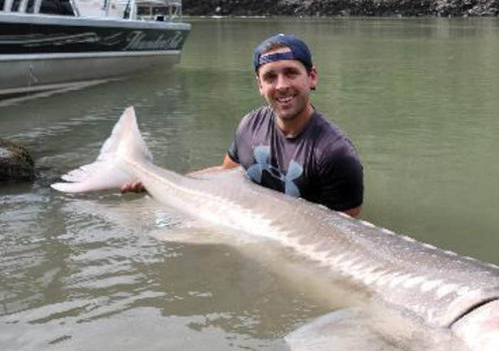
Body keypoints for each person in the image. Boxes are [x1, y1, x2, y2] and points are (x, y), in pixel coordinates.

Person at [124, 33, 363, 216]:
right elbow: (226, 173)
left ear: (311, 77)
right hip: (245, 219)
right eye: (270, 77)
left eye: (291, 73)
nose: (281, 86)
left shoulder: (336, 154)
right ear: (260, 86)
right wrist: (161, 181)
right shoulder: (251, 124)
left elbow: (345, 236)